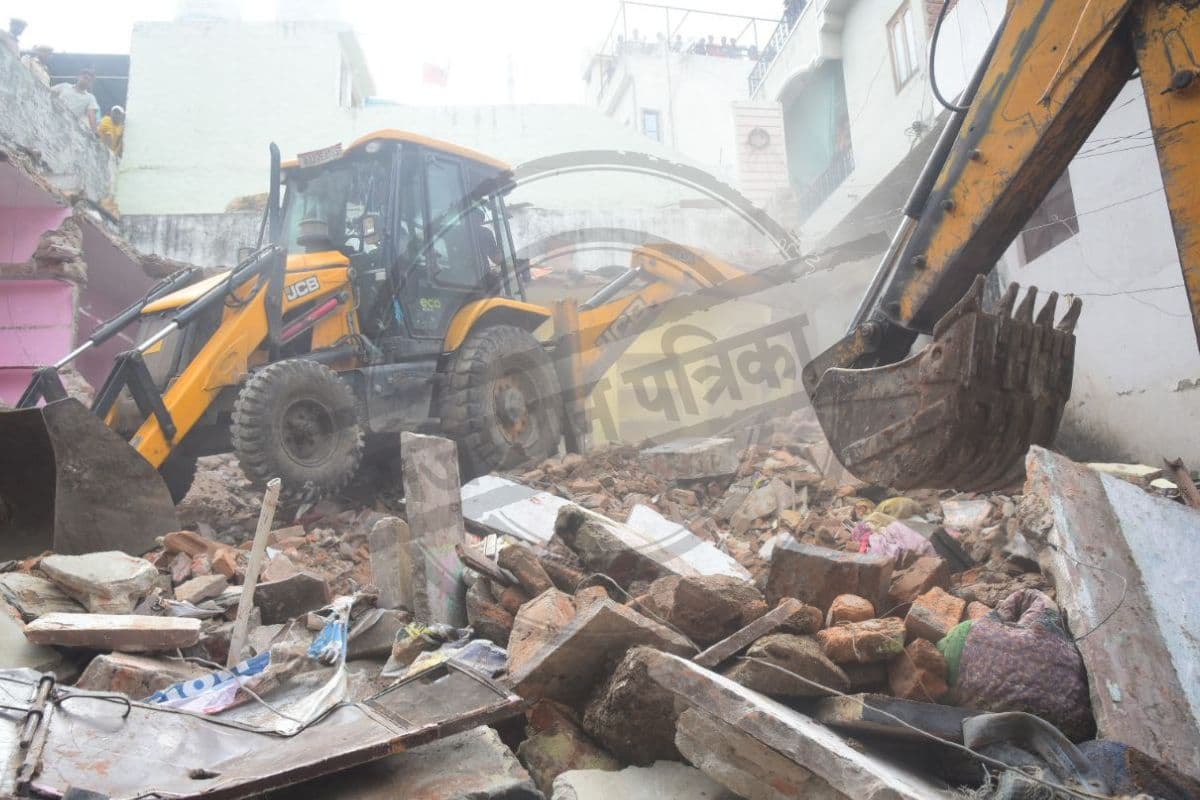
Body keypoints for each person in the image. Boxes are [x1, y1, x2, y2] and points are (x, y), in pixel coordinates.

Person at [52, 67, 100, 132]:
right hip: (52, 117)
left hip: (67, 128)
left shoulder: (90, 98)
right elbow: (47, 92)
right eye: (85, 78)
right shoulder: (64, 86)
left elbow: (91, 115)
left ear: (90, 84)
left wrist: (95, 133)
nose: (86, 81)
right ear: (78, 77)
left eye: (89, 80)